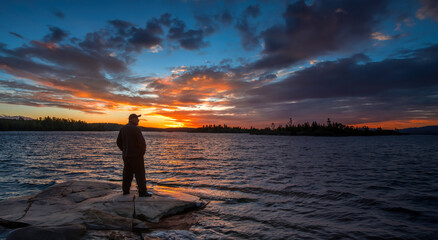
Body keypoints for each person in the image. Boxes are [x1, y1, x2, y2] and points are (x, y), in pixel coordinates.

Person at [117, 114, 151, 197]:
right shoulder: (136, 129)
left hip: (126, 156)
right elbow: (142, 143)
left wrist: (124, 150)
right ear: (132, 119)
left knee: (127, 174)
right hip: (136, 156)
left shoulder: (123, 128)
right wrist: (141, 153)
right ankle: (142, 192)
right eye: (137, 119)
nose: (138, 120)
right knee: (140, 175)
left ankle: (125, 191)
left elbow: (118, 142)